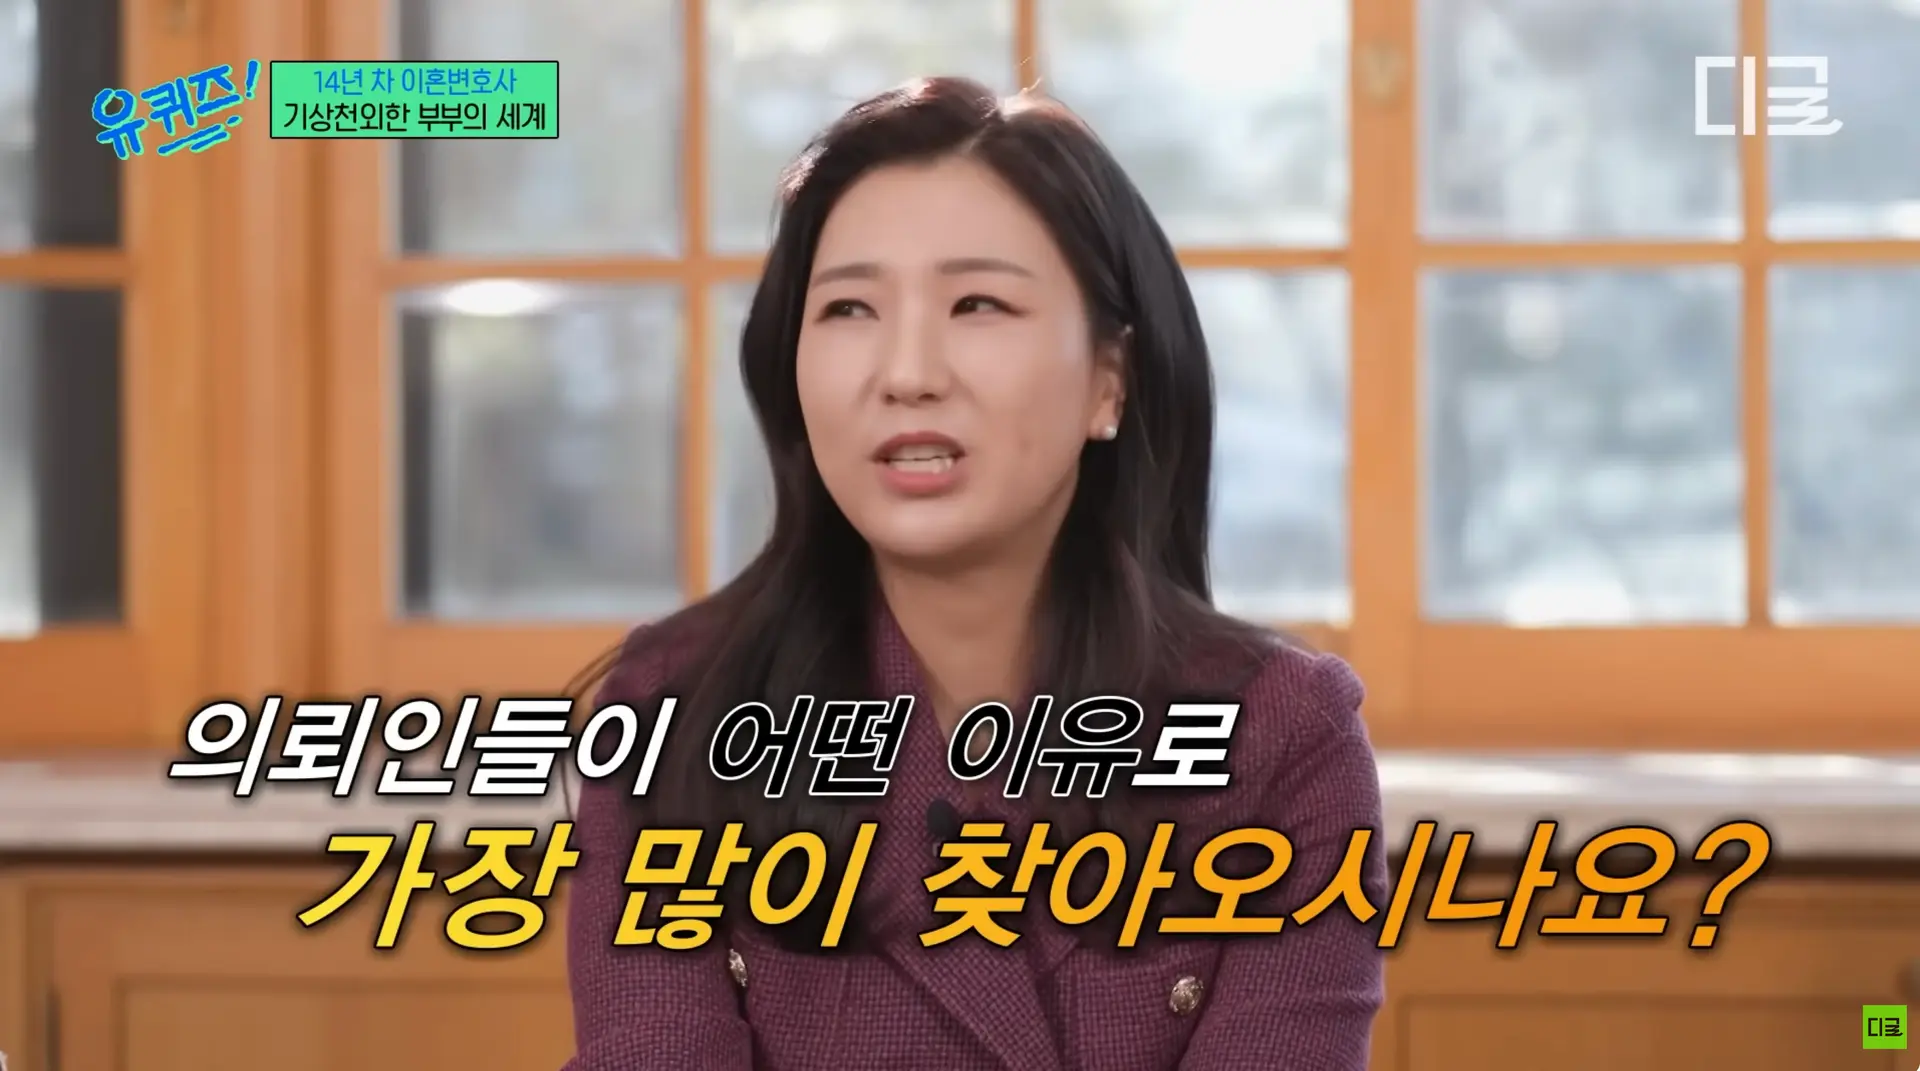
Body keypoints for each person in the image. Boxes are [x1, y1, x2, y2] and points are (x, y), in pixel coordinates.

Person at [563, 76, 1386, 1071]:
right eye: (850, 308)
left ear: (1110, 380)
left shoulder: (1279, 742)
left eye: (978, 304)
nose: (907, 372)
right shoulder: (675, 716)